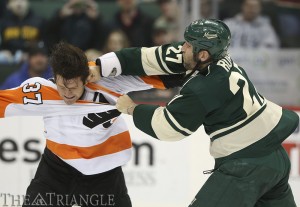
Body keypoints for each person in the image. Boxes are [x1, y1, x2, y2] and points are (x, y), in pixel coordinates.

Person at [93, 19, 299, 207]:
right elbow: (156, 56)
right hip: (276, 158)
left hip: (246, 166)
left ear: (203, 54)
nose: (182, 48)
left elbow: (169, 127)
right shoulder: (216, 58)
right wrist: (102, 66)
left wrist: (131, 108)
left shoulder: (204, 87)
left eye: (188, 45)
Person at [0, 42, 183, 207]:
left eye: (73, 87)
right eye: (62, 87)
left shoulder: (110, 82)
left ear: (86, 77)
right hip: (56, 172)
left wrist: (198, 72)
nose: (67, 94)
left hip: (105, 176)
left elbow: (162, 77)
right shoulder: (41, 91)